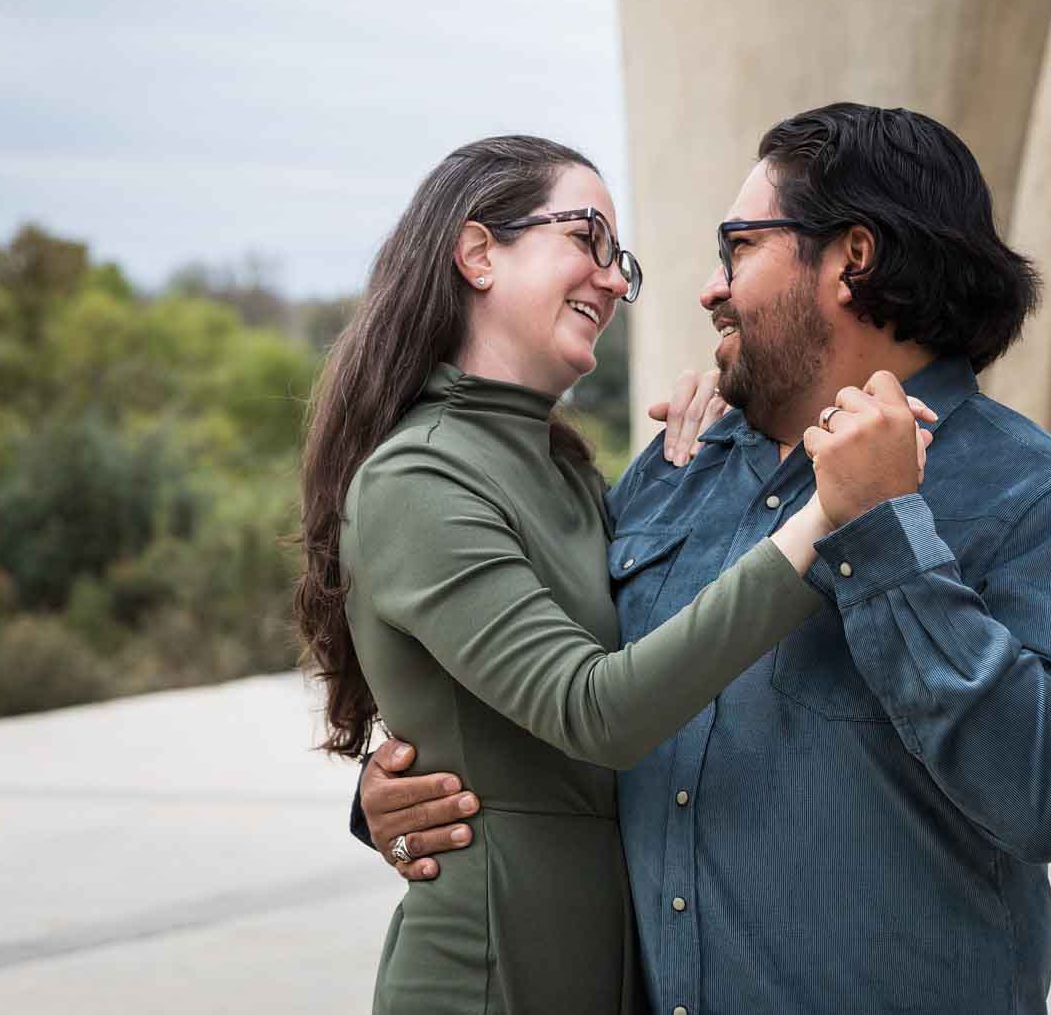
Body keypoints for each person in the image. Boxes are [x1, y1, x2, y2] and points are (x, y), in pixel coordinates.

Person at [357, 104, 1051, 1015]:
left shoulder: (1036, 499)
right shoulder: (683, 468)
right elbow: (571, 686)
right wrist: (410, 790)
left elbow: (1050, 797)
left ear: (851, 258)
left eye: (739, 248)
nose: (707, 288)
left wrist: (881, 532)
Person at [295, 134, 929, 1013]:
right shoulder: (419, 479)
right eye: (588, 238)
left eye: (619, 260)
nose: (613, 280)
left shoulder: (564, 472)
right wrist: (827, 515)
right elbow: (597, 709)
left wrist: (702, 447)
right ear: (479, 252)